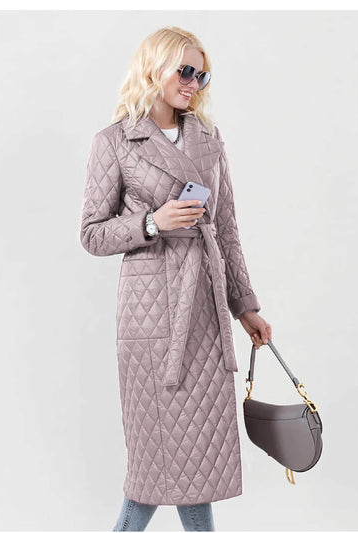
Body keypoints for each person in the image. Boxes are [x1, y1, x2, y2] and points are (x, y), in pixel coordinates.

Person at [80, 26, 272, 531]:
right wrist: (151, 223)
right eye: (185, 71)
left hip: (204, 314)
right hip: (151, 317)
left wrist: (245, 306)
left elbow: (226, 230)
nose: (193, 83)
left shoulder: (208, 139)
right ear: (154, 69)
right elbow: (91, 234)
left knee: (195, 465)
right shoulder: (115, 141)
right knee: (154, 463)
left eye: (201, 75)